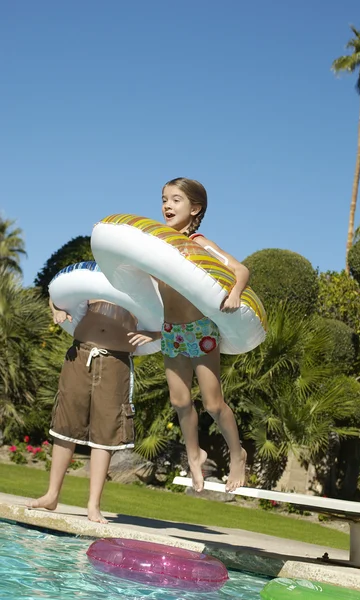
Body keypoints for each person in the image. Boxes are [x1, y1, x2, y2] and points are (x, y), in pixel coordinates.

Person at [128, 177, 248, 493]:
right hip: (171, 332)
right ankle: (194, 455)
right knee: (180, 401)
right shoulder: (158, 244)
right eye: (164, 199)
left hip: (200, 331)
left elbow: (241, 270)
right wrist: (155, 330)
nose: (167, 205)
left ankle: (237, 454)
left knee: (212, 404)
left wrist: (235, 292)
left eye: (176, 199)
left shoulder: (198, 242)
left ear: (195, 208)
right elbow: (156, 295)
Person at [27, 298, 137, 523]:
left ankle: (93, 505)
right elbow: (58, 293)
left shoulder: (138, 282)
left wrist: (154, 335)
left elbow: (161, 316)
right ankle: (51, 495)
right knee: (66, 426)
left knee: (105, 431)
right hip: (80, 354)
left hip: (116, 360)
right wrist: (56, 309)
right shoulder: (91, 275)